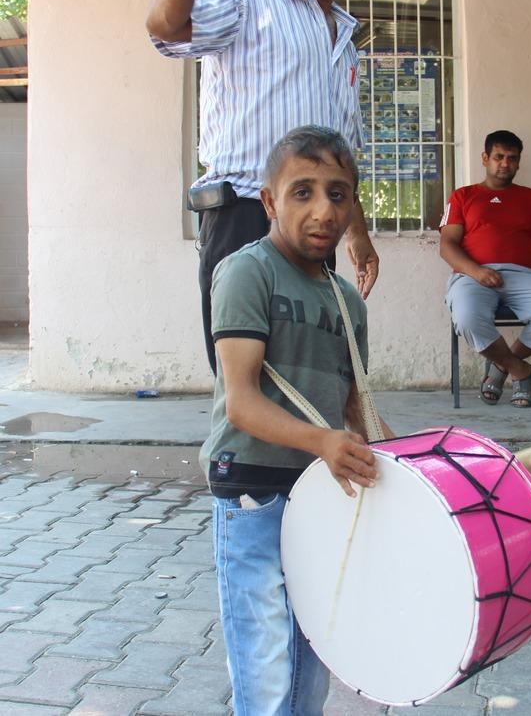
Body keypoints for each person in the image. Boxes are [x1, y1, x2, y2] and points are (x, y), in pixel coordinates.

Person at [202, 125, 393, 715]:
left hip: (317, 492)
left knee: (311, 660)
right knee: (265, 664)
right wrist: (325, 443)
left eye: (338, 194)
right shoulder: (246, 273)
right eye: (302, 192)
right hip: (253, 488)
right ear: (268, 201)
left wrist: (381, 458)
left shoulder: (347, 300)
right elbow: (241, 400)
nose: (322, 210)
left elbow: (353, 405)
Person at [146, 0, 378, 373]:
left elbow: (343, 156)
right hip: (246, 220)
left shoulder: (347, 47)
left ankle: (306, 452)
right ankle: (241, 453)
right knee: (246, 377)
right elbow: (166, 27)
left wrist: (357, 233)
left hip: (318, 227)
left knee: (309, 370)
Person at [439, 130, 531, 408]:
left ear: (519, 162)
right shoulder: (463, 196)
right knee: (466, 317)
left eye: (512, 158)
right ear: (485, 158)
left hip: (524, 277)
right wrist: (477, 272)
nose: (505, 163)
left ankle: (501, 367)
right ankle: (521, 370)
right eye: (499, 157)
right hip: (472, 277)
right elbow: (447, 246)